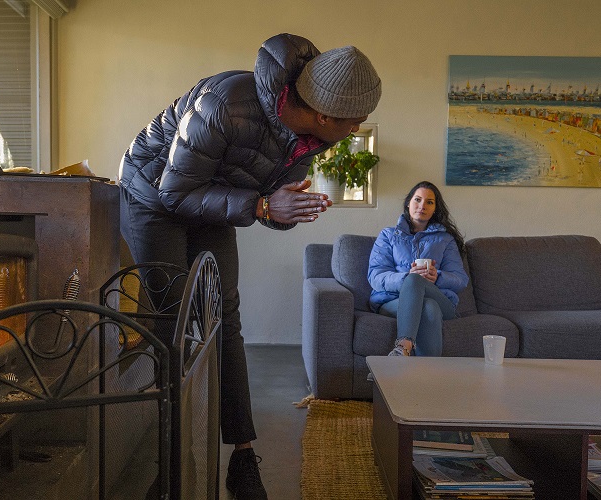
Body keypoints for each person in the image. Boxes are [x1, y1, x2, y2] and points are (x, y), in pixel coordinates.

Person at [118, 33, 381, 499]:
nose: (360, 126)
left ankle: (242, 457)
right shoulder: (226, 101)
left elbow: (269, 206)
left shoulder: (312, 137)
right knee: (171, 322)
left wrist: (283, 210)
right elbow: (174, 193)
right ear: (325, 114)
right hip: (154, 193)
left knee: (223, 316)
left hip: (211, 196)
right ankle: (166, 458)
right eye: (357, 120)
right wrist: (261, 206)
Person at [367, 181, 468, 357]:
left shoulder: (445, 239)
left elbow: (460, 279)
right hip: (393, 301)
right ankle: (428, 378)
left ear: (435, 208)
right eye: (418, 200)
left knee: (419, 284)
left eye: (429, 202)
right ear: (408, 203)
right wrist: (406, 278)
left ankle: (403, 347)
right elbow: (376, 276)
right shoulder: (388, 236)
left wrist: (438, 277)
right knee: (428, 305)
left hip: (441, 299)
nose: (422, 206)